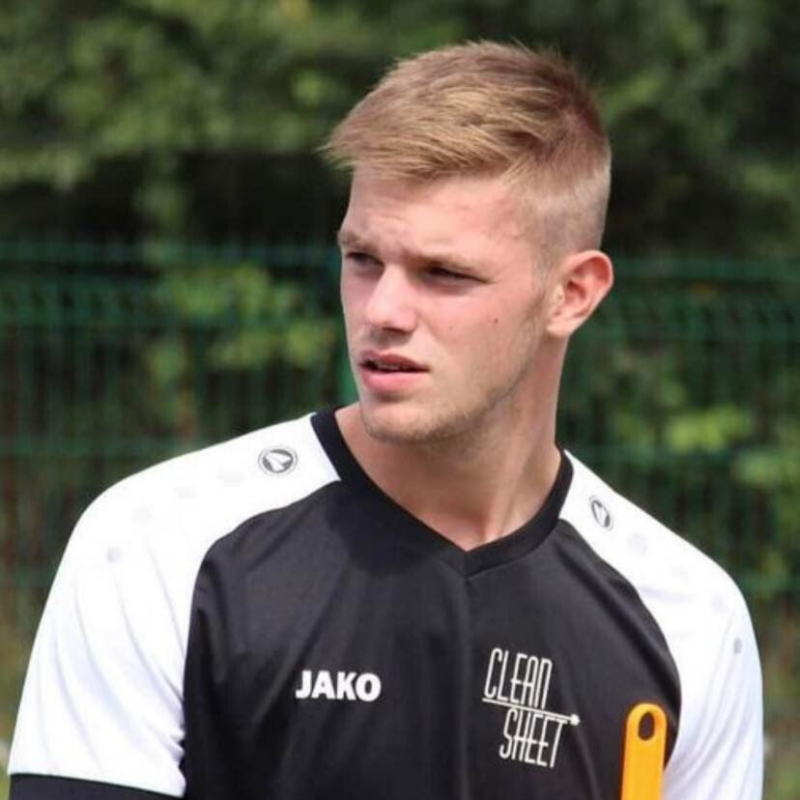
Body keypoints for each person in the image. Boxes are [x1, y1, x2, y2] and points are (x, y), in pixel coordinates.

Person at [9, 42, 762, 800]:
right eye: (362, 259)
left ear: (572, 295)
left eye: (444, 273)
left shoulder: (689, 619)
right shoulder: (157, 545)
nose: (383, 310)